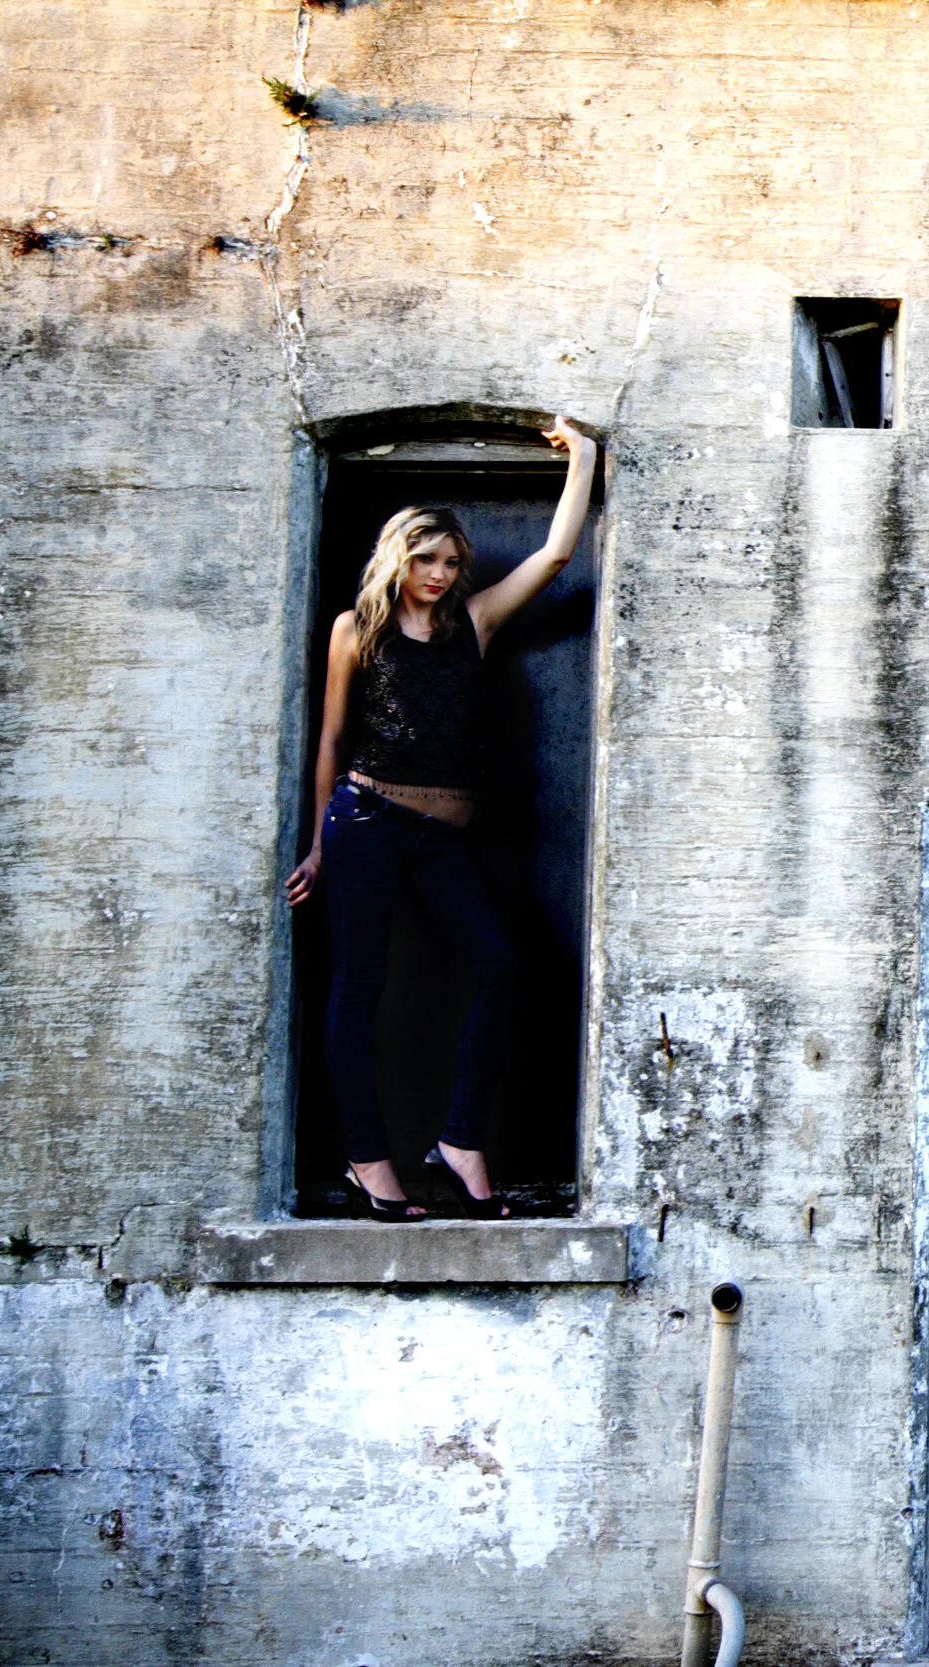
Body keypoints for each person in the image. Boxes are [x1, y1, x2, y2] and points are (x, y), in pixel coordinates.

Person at [284, 418, 598, 1221]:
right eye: (427, 558)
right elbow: (330, 738)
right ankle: (368, 1161)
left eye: (452, 561)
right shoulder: (357, 631)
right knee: (359, 988)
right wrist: (318, 843)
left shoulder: (473, 624)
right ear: (399, 556)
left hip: (440, 840)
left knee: (504, 963)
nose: (441, 572)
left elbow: (555, 553)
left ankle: (459, 1140)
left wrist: (586, 456)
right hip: (365, 821)